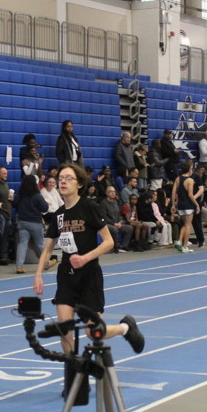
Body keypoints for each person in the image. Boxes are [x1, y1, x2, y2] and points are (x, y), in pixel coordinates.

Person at [33, 163, 144, 399]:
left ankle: (126, 328)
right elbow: (48, 247)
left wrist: (85, 258)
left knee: (94, 333)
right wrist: (38, 274)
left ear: (80, 184)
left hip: (89, 275)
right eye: (60, 178)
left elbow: (109, 242)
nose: (63, 181)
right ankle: (74, 381)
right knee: (64, 330)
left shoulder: (89, 207)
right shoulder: (58, 215)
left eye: (68, 178)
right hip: (66, 276)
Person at [172, 160, 198, 253]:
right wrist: (197, 204)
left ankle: (179, 241)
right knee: (188, 225)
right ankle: (185, 245)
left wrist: (173, 204)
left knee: (185, 224)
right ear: (190, 169)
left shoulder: (178, 179)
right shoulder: (190, 180)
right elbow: (190, 195)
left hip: (180, 205)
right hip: (188, 205)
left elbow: (173, 192)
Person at [99, 186, 133, 254]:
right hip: (107, 223)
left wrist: (119, 222)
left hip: (117, 223)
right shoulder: (103, 203)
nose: (113, 193)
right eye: (111, 192)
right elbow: (104, 217)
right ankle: (115, 247)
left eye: (114, 191)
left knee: (129, 228)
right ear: (107, 193)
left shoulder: (115, 202)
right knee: (114, 229)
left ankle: (123, 246)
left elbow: (118, 214)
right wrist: (113, 224)